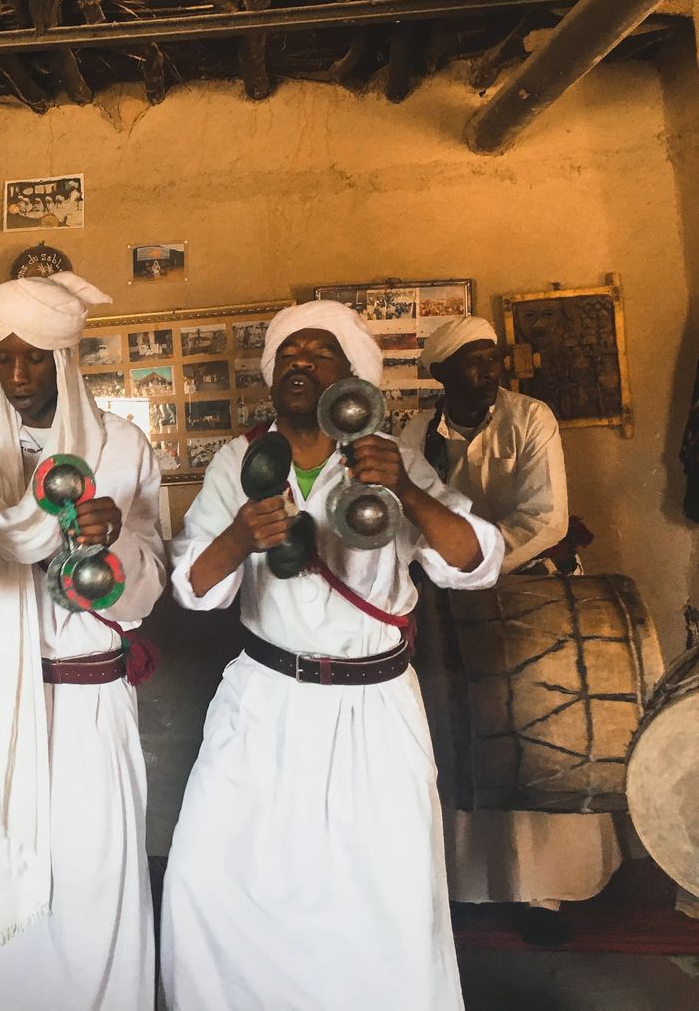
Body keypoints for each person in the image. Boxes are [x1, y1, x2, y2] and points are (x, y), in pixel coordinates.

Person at [162, 301, 504, 1011]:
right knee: (211, 880)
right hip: (265, 701)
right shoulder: (239, 459)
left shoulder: (389, 457)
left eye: (320, 354)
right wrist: (238, 538)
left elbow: (475, 561)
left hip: (373, 709)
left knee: (381, 898)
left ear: (352, 377)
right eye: (289, 353)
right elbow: (193, 587)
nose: (301, 362)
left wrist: (404, 488)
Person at [0, 273, 168, 1010]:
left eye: (34, 359)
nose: (18, 375)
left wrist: (112, 541)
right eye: (5, 358)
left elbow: (151, 589)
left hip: (90, 699)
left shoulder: (119, 446)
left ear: (65, 359)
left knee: (91, 880)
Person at [402, 316, 619, 942]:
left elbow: (547, 517)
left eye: (492, 357)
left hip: (529, 585)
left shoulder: (530, 418)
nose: (489, 370)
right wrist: (446, 565)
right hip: (449, 596)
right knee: (464, 732)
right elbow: (412, 514)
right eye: (473, 360)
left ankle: (544, 894)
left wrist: (478, 562)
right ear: (440, 373)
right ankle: (469, 886)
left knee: (539, 727)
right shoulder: (416, 434)